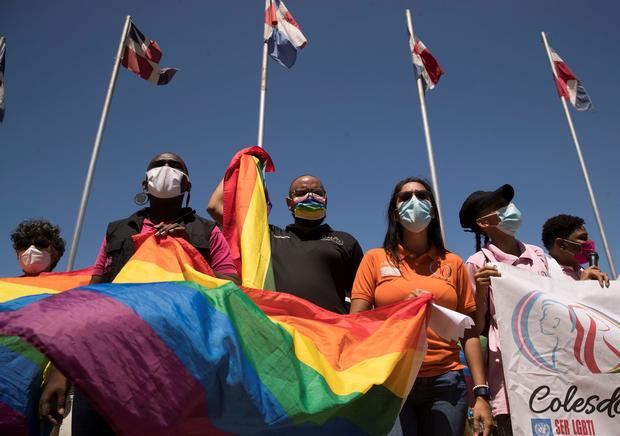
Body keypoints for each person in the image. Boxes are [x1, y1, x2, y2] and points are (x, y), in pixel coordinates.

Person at [40, 152, 240, 433]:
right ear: (145, 183)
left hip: (182, 366)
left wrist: (191, 254)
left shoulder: (207, 232)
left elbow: (231, 288)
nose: (166, 169)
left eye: (175, 166)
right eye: (158, 165)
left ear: (187, 186)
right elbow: (91, 299)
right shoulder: (117, 231)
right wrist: (62, 369)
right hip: (108, 363)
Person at [350, 177, 492, 436]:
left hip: (447, 384)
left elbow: (470, 333)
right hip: (391, 380)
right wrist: (400, 311)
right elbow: (355, 324)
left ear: (434, 208)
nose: (414, 201)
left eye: (422, 195)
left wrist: (481, 393)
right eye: (405, 197)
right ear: (394, 211)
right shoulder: (374, 259)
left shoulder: (454, 263)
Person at [459, 184, 549, 436]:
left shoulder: (538, 254)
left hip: (552, 370)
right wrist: (480, 289)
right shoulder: (478, 263)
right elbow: (473, 330)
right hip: (510, 377)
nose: (509, 210)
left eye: (506, 205)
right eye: (499, 208)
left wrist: (586, 279)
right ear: (483, 223)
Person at [208, 173, 363, 314]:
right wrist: (240, 163)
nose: (311, 196)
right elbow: (215, 206)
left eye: (317, 192)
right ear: (289, 203)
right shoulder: (268, 236)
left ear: (326, 200)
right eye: (301, 193)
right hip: (281, 330)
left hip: (330, 331)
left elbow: (362, 294)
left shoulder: (346, 241)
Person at [541, 214, 609, 287]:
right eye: (583, 238)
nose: (589, 242)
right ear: (561, 244)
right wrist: (582, 285)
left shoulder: (583, 272)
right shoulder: (541, 270)